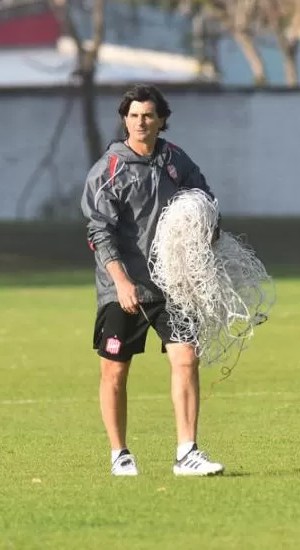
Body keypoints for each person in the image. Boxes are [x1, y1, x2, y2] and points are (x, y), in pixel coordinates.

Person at [80, 83, 224, 477]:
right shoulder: (109, 170)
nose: (141, 122)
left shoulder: (176, 160)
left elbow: (204, 202)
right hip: (122, 286)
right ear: (125, 120)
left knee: (186, 358)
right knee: (114, 369)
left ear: (161, 120)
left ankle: (187, 451)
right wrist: (122, 282)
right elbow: (99, 232)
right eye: (133, 115)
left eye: (148, 115)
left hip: (174, 283)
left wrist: (206, 234)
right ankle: (119, 454)